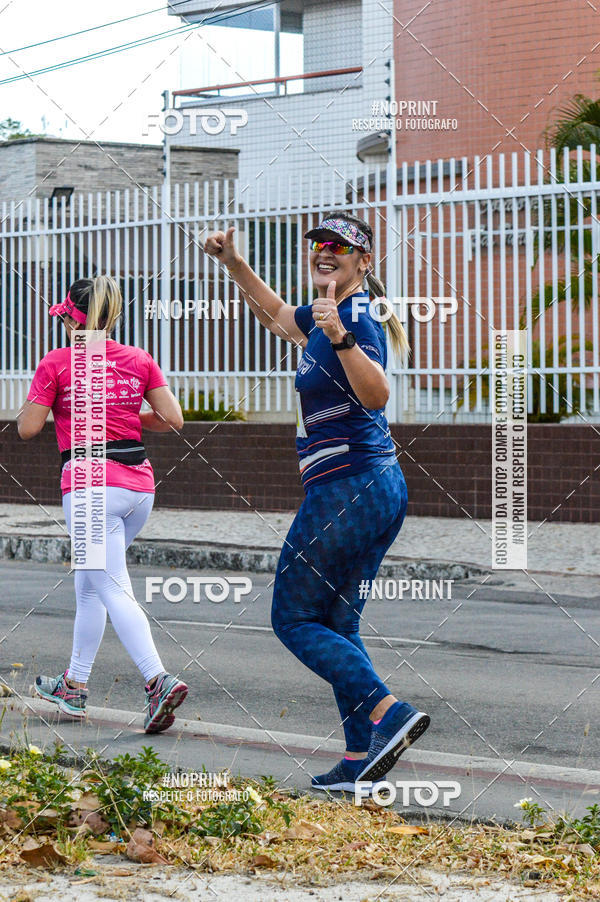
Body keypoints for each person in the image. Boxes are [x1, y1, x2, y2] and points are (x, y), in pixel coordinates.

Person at [204, 213, 430, 790]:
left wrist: (339, 336)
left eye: (339, 247)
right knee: (338, 623)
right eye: (318, 245)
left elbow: (377, 393)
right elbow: (279, 316)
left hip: (348, 487)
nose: (324, 252)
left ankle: (390, 713)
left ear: (364, 261)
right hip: (373, 488)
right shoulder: (324, 312)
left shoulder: (356, 316)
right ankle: (360, 761)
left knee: (292, 618)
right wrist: (233, 264)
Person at [17, 276, 188, 733]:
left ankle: (156, 680)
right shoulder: (138, 359)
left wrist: (48, 400)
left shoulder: (56, 363)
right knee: (91, 585)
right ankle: (74, 685)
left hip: (91, 487)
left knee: (109, 584)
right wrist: (129, 415)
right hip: (138, 488)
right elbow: (173, 419)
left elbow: (27, 429)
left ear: (72, 317)